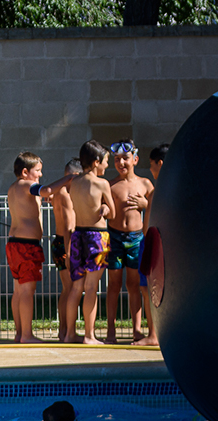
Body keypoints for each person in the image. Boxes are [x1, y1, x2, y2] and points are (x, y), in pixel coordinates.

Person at [63, 140, 114, 345]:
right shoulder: (102, 183)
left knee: (76, 288)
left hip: (78, 236)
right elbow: (113, 212)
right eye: (106, 161)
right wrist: (106, 209)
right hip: (97, 236)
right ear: (96, 162)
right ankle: (89, 335)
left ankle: (69, 334)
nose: (107, 166)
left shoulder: (74, 183)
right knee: (91, 287)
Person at [105, 140, 153, 344]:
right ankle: (110, 330)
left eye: (125, 158)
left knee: (134, 285)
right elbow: (103, 205)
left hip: (136, 239)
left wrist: (146, 203)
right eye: (116, 160)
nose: (120, 163)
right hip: (114, 237)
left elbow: (156, 206)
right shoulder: (110, 184)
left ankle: (136, 329)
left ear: (135, 159)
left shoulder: (145, 184)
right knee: (113, 285)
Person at [4, 152, 46, 344]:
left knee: (19, 291)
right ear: (24, 171)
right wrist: (68, 182)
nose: (40, 175)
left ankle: (20, 333)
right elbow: (45, 191)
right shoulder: (27, 185)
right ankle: (27, 335)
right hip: (27, 246)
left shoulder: (13, 188)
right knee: (28, 291)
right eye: (37, 171)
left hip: (15, 244)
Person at [131, 143, 168, 346]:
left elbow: (148, 227)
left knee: (149, 290)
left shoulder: (157, 191)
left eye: (152, 164)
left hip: (153, 244)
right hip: (169, 246)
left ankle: (153, 335)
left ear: (159, 163)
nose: (151, 169)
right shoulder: (175, 186)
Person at [51, 159, 83, 342]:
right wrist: (71, 253)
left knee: (67, 289)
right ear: (74, 176)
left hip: (61, 243)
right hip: (66, 243)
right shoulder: (66, 194)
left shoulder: (58, 193)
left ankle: (63, 330)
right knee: (70, 289)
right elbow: (70, 227)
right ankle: (66, 331)